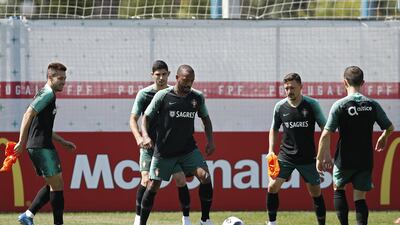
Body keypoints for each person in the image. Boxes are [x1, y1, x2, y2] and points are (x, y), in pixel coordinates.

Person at [317, 66, 394, 225]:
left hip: (344, 160)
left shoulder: (340, 105)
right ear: (363, 82)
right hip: (365, 160)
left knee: (338, 189)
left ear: (344, 82)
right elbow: (390, 127)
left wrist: (320, 157)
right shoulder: (372, 104)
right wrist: (384, 136)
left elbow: (326, 134)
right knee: (360, 198)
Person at [140, 64, 215, 225]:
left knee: (205, 177)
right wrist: (145, 136)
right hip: (164, 151)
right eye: (185, 80)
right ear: (177, 78)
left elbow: (206, 119)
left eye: (192, 81)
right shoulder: (163, 96)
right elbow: (145, 118)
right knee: (153, 186)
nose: (189, 84)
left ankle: (205, 220)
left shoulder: (197, 97)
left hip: (188, 149)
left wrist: (210, 140)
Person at [129, 60, 192, 225]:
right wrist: (139, 137)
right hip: (149, 147)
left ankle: (186, 220)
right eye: (158, 74)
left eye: (164, 74)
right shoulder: (144, 94)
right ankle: (138, 220)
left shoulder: (175, 92)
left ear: (169, 75)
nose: (161, 78)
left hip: (169, 148)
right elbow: (133, 119)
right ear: (152, 75)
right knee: (145, 180)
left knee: (180, 179)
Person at [14, 62, 76, 225]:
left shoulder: (47, 94)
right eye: (60, 78)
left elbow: (42, 125)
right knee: (57, 186)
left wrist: (62, 142)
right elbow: (28, 114)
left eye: (65, 78)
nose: (63, 81)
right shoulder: (47, 94)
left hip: (40, 144)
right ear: (50, 77)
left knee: (53, 184)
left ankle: (28, 215)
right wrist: (21, 141)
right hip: (40, 146)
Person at [266, 73, 327, 225]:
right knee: (272, 186)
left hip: (307, 157)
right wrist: (270, 150)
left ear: (301, 86)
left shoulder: (312, 104)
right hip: (285, 156)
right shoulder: (280, 106)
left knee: (315, 192)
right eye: (286, 88)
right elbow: (273, 129)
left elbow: (325, 129)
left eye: (292, 87)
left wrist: (324, 153)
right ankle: (272, 223)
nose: (289, 91)